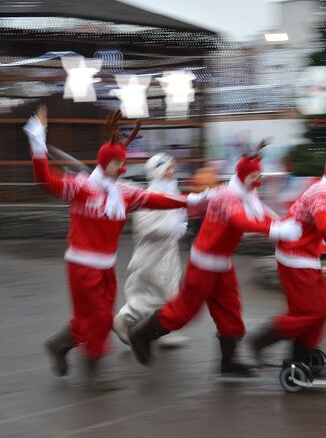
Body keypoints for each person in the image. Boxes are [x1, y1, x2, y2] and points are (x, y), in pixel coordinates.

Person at [23, 107, 204, 387]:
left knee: (99, 318)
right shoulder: (82, 189)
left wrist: (191, 200)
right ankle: (93, 374)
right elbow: (45, 180)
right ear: (105, 163)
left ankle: (59, 344)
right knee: (97, 319)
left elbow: (155, 199)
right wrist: (37, 141)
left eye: (123, 162)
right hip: (82, 266)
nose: (122, 167)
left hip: (106, 267)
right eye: (118, 162)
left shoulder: (124, 193)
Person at [128, 152, 302, 377]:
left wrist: (283, 225)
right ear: (241, 177)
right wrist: (276, 230)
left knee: (230, 312)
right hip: (203, 264)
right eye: (253, 177)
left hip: (222, 265)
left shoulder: (249, 195)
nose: (256, 182)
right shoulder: (227, 196)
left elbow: (262, 217)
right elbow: (240, 220)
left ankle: (228, 363)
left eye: (259, 176)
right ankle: (141, 334)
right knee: (184, 311)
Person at [249, 122, 326, 366]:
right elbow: (325, 225)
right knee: (313, 312)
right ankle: (262, 340)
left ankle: (300, 356)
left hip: (305, 256)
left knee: (317, 312)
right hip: (295, 256)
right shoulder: (323, 192)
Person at [113, 153, 190, 347]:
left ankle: (160, 331)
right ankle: (123, 320)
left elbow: (180, 217)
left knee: (170, 293)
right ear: (158, 171)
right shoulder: (148, 196)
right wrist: (171, 228)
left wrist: (180, 227)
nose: (172, 172)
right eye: (168, 168)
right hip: (151, 256)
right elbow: (145, 227)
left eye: (173, 168)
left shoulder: (172, 191)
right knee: (148, 295)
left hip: (168, 254)